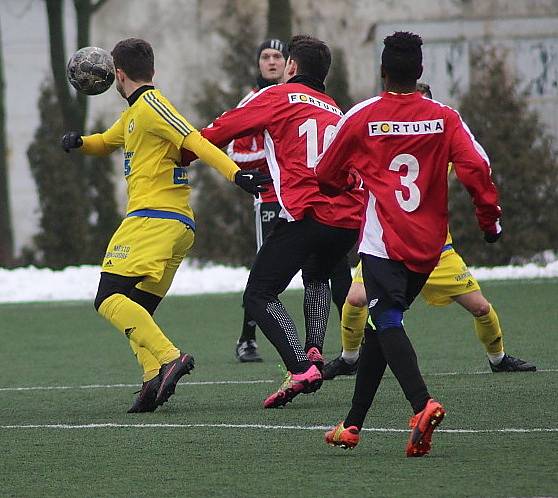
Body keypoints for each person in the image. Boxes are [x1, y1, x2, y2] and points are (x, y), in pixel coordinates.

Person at [316, 32, 502, 457]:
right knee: (385, 326)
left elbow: (326, 173)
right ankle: (352, 424)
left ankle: (422, 404)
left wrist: (351, 180)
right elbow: (477, 167)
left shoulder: (363, 115)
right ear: (420, 73)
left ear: (382, 72)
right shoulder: (445, 117)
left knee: (386, 321)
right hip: (428, 247)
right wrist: (489, 223)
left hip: (384, 244)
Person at [61, 38, 269, 413]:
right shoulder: (133, 115)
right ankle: (151, 379)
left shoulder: (154, 105)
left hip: (153, 218)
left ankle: (170, 357)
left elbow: (196, 140)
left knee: (108, 297)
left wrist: (238, 175)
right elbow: (107, 142)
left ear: (117, 75)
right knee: (138, 306)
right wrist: (79, 143)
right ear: (151, 69)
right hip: (171, 224)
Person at [181, 35, 363, 408]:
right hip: (347, 219)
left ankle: (299, 366)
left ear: (291, 67)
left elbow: (222, 130)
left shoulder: (278, 96)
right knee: (317, 274)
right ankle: (314, 351)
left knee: (259, 293)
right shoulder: (334, 108)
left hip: (310, 212)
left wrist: (182, 153)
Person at [322, 82, 536, 380]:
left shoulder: (438, 145)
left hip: (437, 251)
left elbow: (470, 164)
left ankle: (498, 358)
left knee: (481, 308)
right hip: (385, 245)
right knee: (355, 299)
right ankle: (349, 358)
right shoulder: (387, 148)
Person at [228, 39, 288, 363]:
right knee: (266, 269)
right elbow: (234, 152)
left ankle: (344, 346)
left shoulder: (298, 99)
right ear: (258, 64)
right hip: (269, 198)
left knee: (322, 268)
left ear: (288, 63)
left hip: (303, 198)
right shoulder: (250, 102)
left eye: (278, 56)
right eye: (266, 56)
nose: (272, 61)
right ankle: (248, 338)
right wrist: (273, 158)